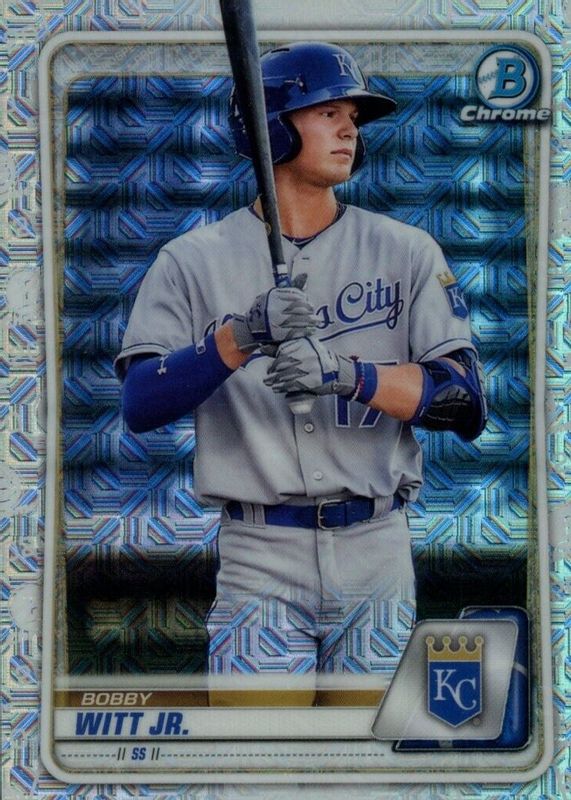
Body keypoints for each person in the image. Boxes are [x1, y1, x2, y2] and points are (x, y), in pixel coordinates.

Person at [114, 42, 487, 706]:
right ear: (271, 128)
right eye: (327, 112)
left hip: (376, 548)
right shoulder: (192, 259)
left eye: (353, 118)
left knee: (367, 757)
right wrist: (238, 338)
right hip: (260, 552)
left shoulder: (405, 250)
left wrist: (350, 375)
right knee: (258, 754)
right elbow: (141, 402)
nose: (349, 130)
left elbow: (464, 401)